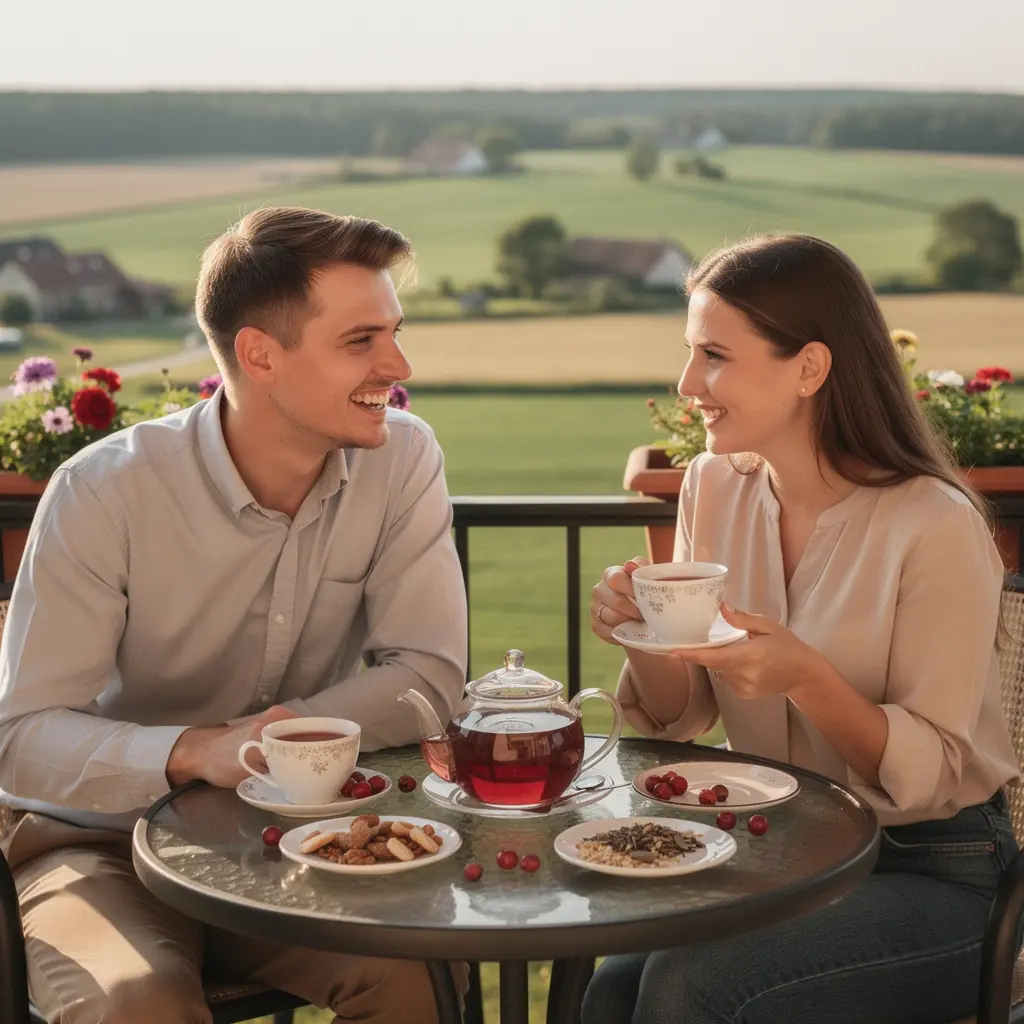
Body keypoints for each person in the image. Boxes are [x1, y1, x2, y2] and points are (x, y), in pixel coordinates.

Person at [0, 207, 468, 1024]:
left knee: (419, 974)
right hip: (100, 844)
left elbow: (429, 675)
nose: (399, 365)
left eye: (393, 331)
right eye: (361, 340)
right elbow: (21, 736)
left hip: (300, 834)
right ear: (260, 355)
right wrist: (192, 752)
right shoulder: (105, 491)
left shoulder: (404, 458)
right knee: (138, 1004)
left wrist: (276, 741)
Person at [586, 233, 1021, 1023]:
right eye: (690, 352)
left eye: (714, 355)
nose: (689, 384)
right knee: (611, 984)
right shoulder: (715, 488)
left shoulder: (935, 524)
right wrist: (639, 629)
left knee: (690, 989)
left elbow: (935, 772)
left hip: (934, 873)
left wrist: (806, 679)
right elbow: (682, 711)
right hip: (776, 848)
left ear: (811, 369)